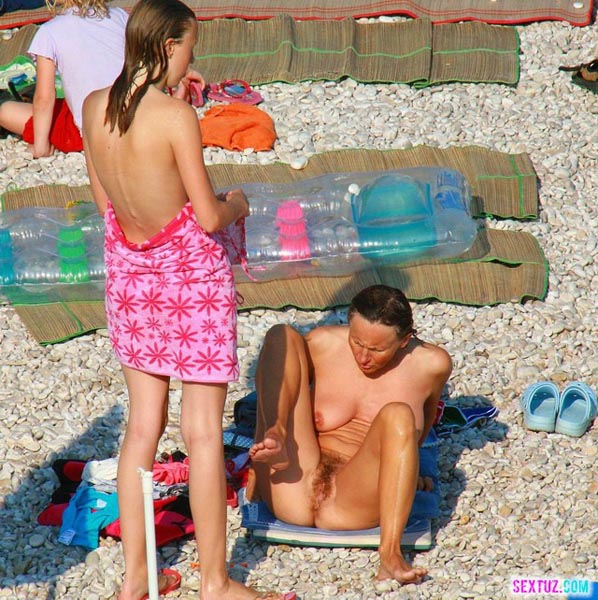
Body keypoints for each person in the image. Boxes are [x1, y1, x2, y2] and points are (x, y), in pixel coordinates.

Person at [82, 1, 293, 599]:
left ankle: (136, 580)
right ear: (168, 46)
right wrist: (239, 202)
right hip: (191, 284)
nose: (191, 61)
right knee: (201, 432)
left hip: (131, 277)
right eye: (190, 49)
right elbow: (205, 216)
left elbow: (105, 203)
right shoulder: (175, 117)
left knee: (141, 427)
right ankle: (216, 582)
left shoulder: (94, 105)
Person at [247, 284, 453, 585]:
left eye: (377, 349)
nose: (363, 356)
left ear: (405, 340)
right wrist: (260, 458)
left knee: (399, 413)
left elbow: (425, 424)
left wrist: (409, 469)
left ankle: (390, 555)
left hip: (351, 503)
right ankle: (274, 435)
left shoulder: (431, 364)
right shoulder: (323, 344)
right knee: (281, 336)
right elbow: (274, 379)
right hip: (294, 484)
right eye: (356, 342)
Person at [0, 0, 128, 157]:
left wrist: (41, 147)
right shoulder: (121, 16)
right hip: (134, 120)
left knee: (5, 111)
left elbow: (44, 98)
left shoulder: (49, 32)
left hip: (91, 130)